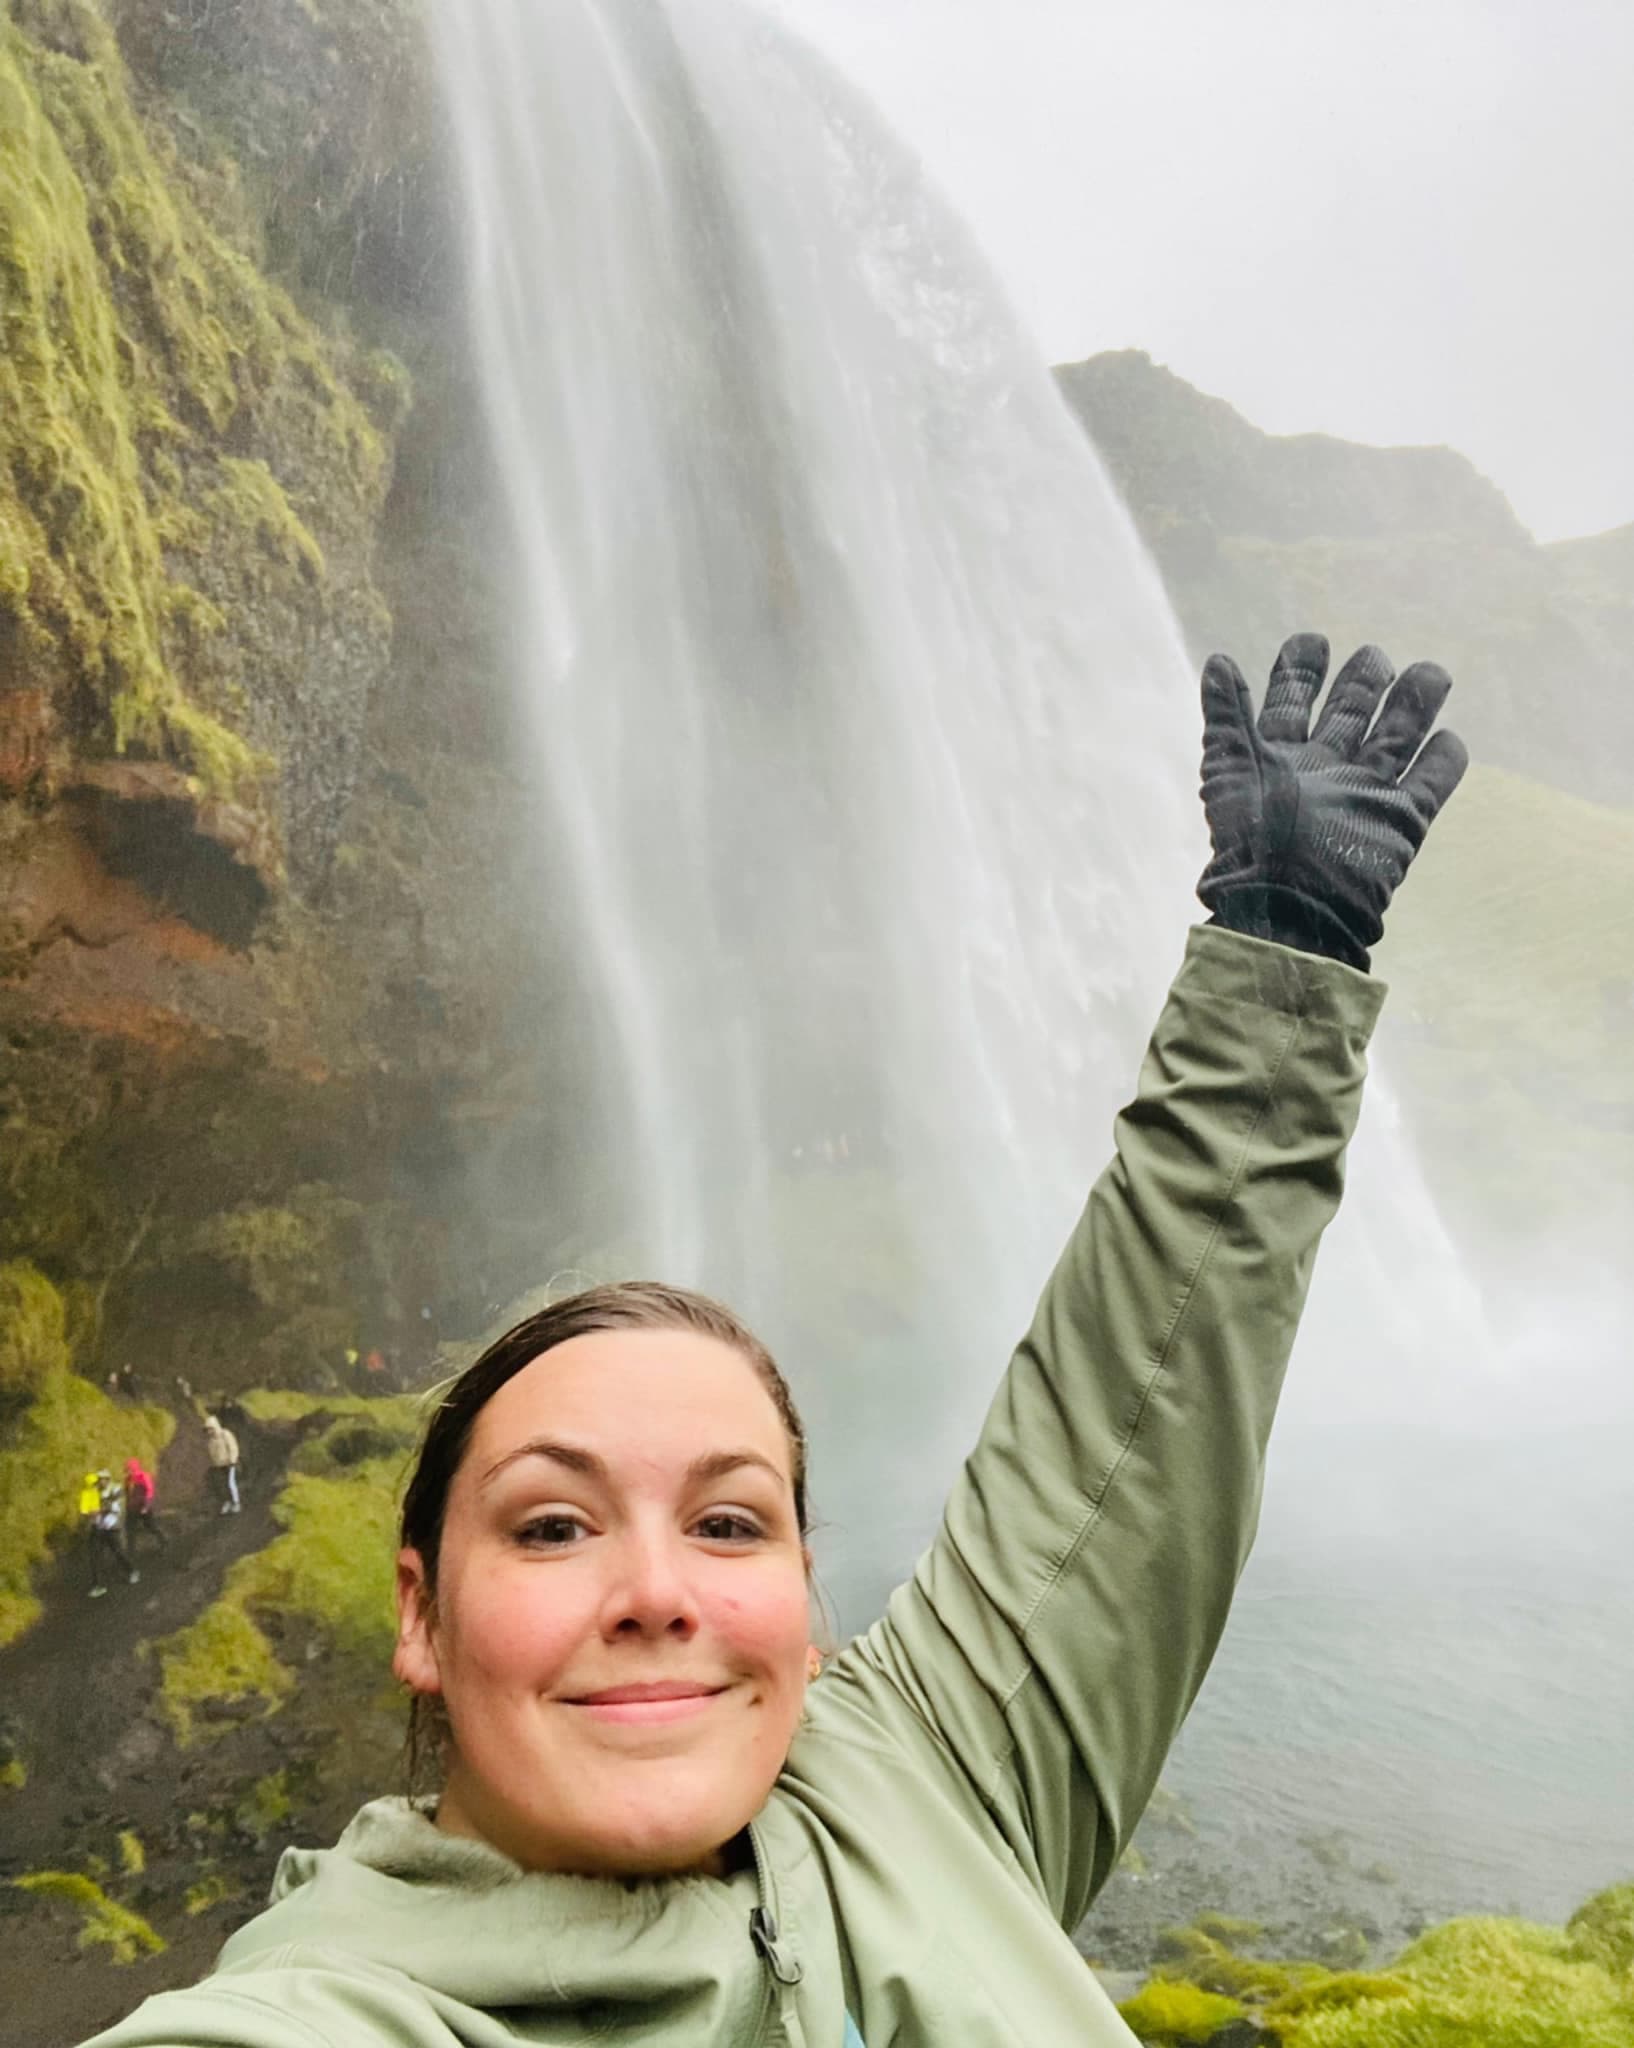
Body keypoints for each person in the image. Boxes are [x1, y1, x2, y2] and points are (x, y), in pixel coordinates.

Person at [82, 637, 1468, 2045]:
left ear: (808, 1603)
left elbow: (1131, 1428)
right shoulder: (328, 2009)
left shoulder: (929, 1774)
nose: (655, 1590)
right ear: (419, 1614)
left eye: (731, 1524)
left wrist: (1282, 944)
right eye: (553, 1525)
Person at [85, 1470, 137, 1596]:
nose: (100, 1482)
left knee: (118, 1552)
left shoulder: (116, 1489)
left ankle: (131, 1571)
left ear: (108, 1479)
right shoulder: (94, 1492)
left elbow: (115, 1507)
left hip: (112, 1527)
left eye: (103, 1479)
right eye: (99, 1479)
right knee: (95, 1557)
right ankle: (98, 1585)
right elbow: (88, 1508)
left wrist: (100, 1509)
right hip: (98, 1528)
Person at [123, 1456, 167, 1553]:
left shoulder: (143, 1477)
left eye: (128, 1469)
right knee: (130, 1529)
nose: (127, 1471)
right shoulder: (128, 1480)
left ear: (134, 1468)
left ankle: (163, 1540)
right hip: (132, 1508)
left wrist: (146, 1506)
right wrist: (127, 1507)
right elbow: (127, 1495)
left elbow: (149, 1492)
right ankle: (131, 1550)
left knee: (150, 1525)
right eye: (126, 1469)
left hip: (143, 1506)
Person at [203, 1413, 241, 1515]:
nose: (209, 1432)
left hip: (229, 1463)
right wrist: (214, 1463)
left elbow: (233, 1447)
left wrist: (233, 1460)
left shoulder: (225, 1435)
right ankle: (227, 1502)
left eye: (210, 1429)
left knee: (231, 1483)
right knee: (222, 1485)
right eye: (207, 1430)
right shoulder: (211, 1441)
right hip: (219, 1465)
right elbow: (212, 1453)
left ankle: (236, 1502)